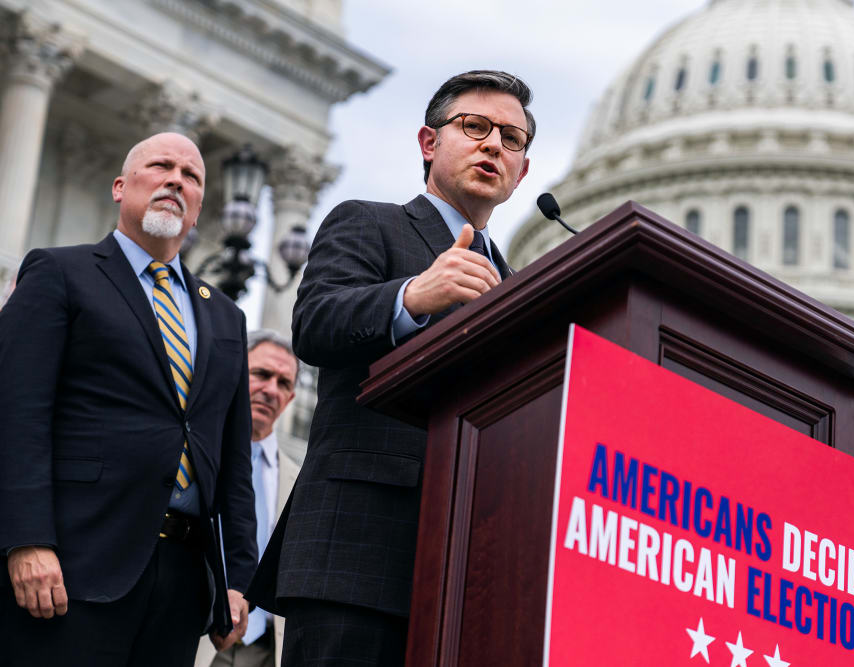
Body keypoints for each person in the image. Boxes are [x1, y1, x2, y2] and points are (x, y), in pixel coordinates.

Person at [246, 70, 534, 665]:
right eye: (475, 127)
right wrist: (410, 298)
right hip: (357, 557)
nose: (492, 146)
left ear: (523, 172)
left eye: (511, 138)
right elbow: (316, 324)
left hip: (471, 576)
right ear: (429, 143)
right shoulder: (369, 223)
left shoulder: (521, 289)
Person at [0, 132, 257, 666]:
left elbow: (233, 465)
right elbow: (16, 414)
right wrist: (26, 540)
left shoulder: (225, 317)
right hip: (72, 565)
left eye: (191, 176)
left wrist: (237, 579)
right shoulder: (60, 272)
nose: (175, 180)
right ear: (120, 187)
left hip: (182, 584)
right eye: (161, 166)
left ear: (199, 209)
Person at [196, 330, 301, 667]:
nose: (271, 390)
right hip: (198, 634)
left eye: (283, 383)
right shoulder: (195, 457)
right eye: (261, 374)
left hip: (268, 649)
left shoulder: (301, 481)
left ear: (291, 398)